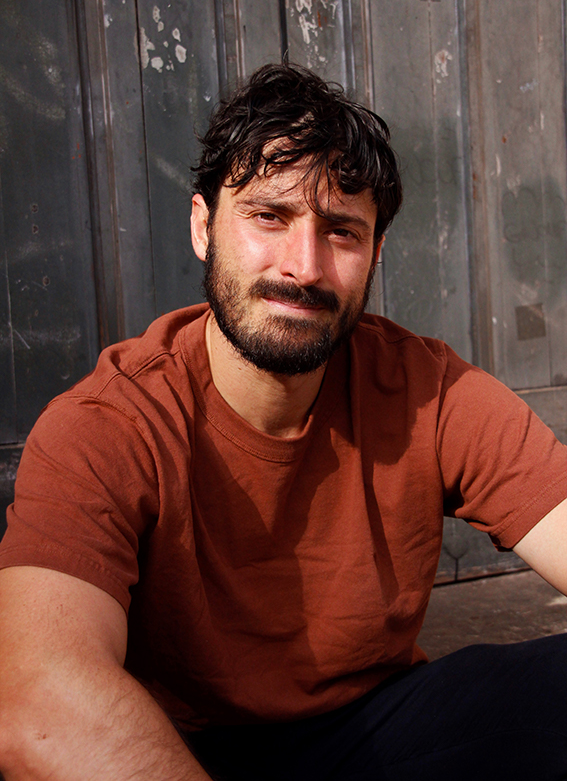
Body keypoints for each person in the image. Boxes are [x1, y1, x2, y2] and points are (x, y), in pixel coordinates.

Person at [0, 63, 567, 781]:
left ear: (375, 252)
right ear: (204, 226)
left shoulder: (429, 391)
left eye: (341, 231)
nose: (304, 266)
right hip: (172, 749)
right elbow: (38, 705)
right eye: (269, 216)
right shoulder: (109, 424)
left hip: (372, 732)